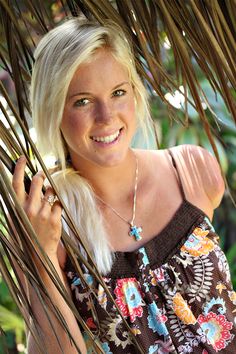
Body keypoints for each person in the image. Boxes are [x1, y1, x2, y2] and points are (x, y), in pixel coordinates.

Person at [12, 17, 236, 354]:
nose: (106, 116)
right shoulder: (51, 221)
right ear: (53, 109)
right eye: (82, 101)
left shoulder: (192, 171)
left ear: (134, 92)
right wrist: (42, 252)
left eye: (118, 92)